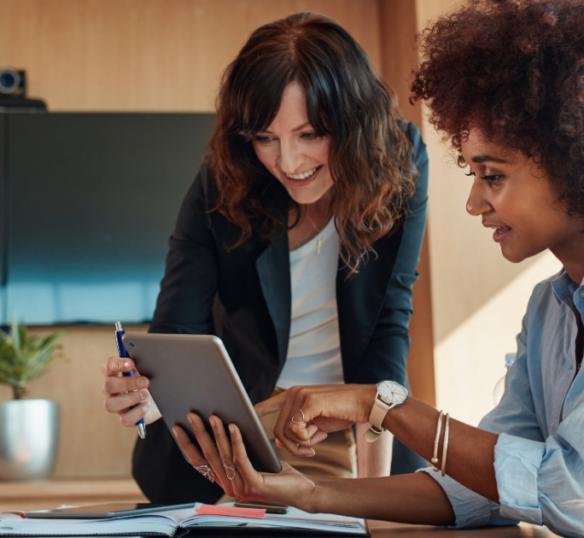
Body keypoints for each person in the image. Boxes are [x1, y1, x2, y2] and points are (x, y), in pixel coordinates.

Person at [176, 0, 584, 535]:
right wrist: (312, 493)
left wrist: (382, 403)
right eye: (473, 172)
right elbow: (483, 490)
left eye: (491, 176)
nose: (473, 203)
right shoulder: (548, 311)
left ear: (574, 162)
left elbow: (575, 493)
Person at [99, 12, 429, 504]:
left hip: (352, 431)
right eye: (266, 138)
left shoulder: (397, 162)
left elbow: (387, 326)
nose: (289, 163)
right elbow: (177, 332)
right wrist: (146, 394)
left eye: (311, 134)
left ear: (354, 122)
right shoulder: (225, 177)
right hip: (235, 438)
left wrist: (374, 499)